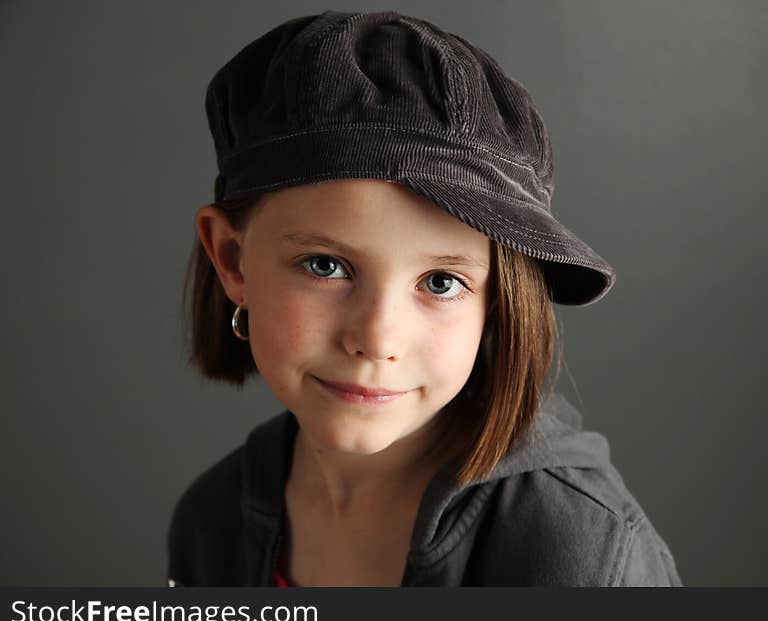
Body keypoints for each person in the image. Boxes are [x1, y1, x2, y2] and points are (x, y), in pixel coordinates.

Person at [167, 9, 683, 587]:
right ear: (232, 261)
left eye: (442, 282)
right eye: (326, 265)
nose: (378, 339)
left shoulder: (577, 555)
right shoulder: (211, 523)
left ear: (497, 302)